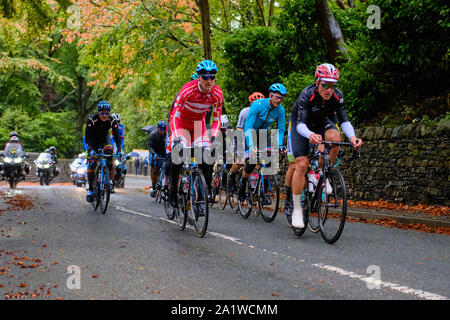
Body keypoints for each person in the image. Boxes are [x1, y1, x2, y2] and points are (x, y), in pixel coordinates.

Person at [289, 63, 363, 228]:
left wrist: (352, 137)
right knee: (301, 164)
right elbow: (300, 124)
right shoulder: (306, 95)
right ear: (317, 82)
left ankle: (323, 173)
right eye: (325, 85)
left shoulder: (337, 96)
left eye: (332, 85)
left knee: (335, 137)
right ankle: (296, 210)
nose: (329, 89)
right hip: (301, 125)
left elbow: (344, 121)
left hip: (321, 122)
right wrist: (310, 135)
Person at [167, 59, 223, 208]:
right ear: (199, 77)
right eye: (205, 77)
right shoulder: (187, 90)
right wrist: (176, 137)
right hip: (181, 124)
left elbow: (217, 119)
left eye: (212, 77)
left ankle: (202, 191)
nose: (209, 81)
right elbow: (174, 115)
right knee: (178, 155)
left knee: (205, 157)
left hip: (199, 126)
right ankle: (172, 188)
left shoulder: (217, 94)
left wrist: (212, 136)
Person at [228, 84, 286, 203]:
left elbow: (280, 130)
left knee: (268, 161)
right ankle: (241, 183)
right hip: (249, 132)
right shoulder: (257, 106)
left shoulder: (280, 110)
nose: (279, 100)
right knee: (250, 160)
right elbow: (248, 127)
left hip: (264, 133)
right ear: (270, 95)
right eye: (277, 97)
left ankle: (262, 192)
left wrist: (279, 145)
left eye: (282, 98)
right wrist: (252, 146)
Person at [84, 100, 122, 202]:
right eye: (102, 113)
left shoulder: (112, 120)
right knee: (92, 164)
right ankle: (91, 190)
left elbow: (117, 137)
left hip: (105, 139)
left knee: (110, 156)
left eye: (107, 113)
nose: (105, 116)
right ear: (98, 112)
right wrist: (90, 150)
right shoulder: (91, 120)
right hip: (92, 141)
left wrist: (119, 150)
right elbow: (87, 138)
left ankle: (109, 180)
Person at [148, 120, 167, 197]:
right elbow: (149, 146)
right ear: (158, 128)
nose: (163, 131)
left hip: (163, 152)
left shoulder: (167, 135)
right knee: (155, 169)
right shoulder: (153, 134)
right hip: (154, 151)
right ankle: (154, 187)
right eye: (161, 129)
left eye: (164, 129)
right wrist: (154, 154)